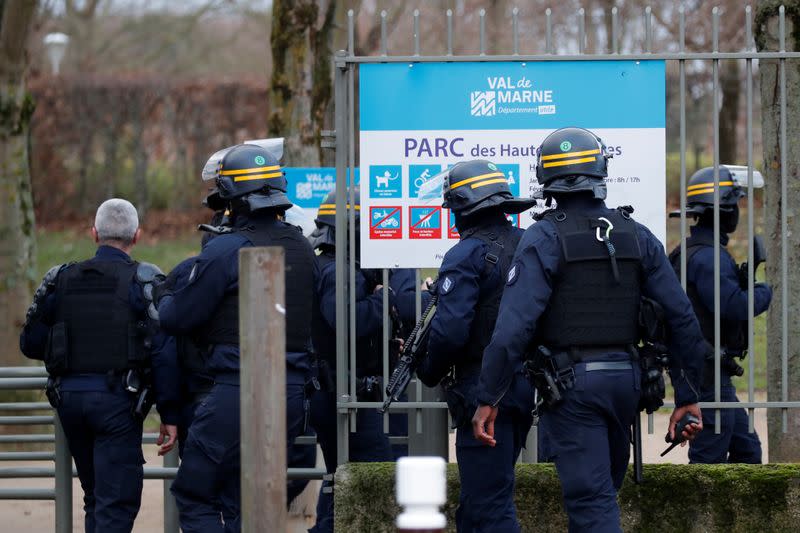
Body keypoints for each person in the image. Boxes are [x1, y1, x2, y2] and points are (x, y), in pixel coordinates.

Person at [471, 127, 707, 532]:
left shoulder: (543, 237)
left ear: (546, 179)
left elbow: (511, 330)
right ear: (601, 172)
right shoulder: (636, 234)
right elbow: (682, 317)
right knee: (603, 496)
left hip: (573, 389)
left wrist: (488, 396)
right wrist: (688, 394)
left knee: (593, 504)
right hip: (627, 384)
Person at [156, 141, 316, 531]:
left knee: (195, 493)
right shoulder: (302, 247)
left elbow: (178, 317)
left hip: (238, 391)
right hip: (293, 394)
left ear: (231, 199)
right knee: (253, 501)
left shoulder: (225, 249)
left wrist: (162, 294)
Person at [19, 198, 179, 533]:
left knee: (95, 497)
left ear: (94, 233)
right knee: (116, 504)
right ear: (137, 236)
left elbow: (31, 342)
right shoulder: (142, 280)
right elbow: (164, 349)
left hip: (69, 403)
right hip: (117, 404)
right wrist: (170, 414)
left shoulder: (60, 279)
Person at [414, 161, 537, 532]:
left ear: (462, 209)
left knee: (489, 506)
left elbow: (451, 331)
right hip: (522, 385)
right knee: (478, 504)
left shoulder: (465, 254)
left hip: (483, 393)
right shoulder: (528, 244)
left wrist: (429, 370)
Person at [669, 166, 771, 464]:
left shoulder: (692, 250)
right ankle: (696, 511)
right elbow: (734, 305)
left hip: (710, 369)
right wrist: (765, 291)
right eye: (735, 205)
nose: (737, 212)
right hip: (706, 371)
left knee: (746, 448)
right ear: (722, 210)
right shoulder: (708, 256)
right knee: (708, 457)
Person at [308, 188, 394, 533]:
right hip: (344, 396)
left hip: (338, 392)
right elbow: (347, 320)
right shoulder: (340, 271)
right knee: (376, 477)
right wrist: (382, 300)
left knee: (340, 478)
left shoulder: (329, 266)